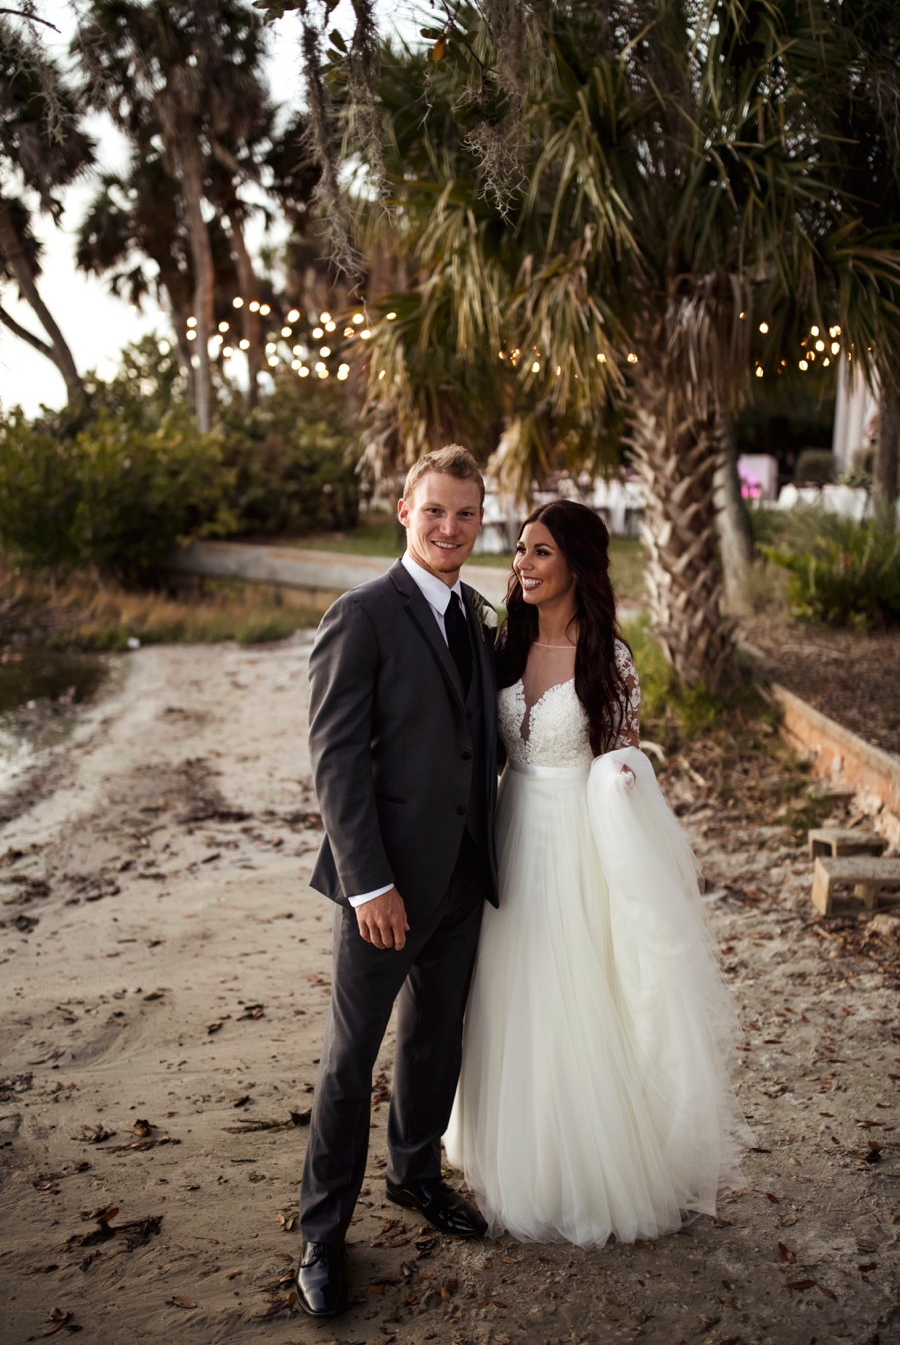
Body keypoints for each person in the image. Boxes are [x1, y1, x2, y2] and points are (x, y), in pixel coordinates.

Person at [444, 499, 752, 1247]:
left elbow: (624, 756)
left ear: (577, 564)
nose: (523, 564)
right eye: (520, 549)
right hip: (510, 830)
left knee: (573, 992)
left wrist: (621, 783)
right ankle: (515, 1148)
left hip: (578, 841)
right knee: (507, 992)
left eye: (541, 552)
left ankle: (583, 1166)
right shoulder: (502, 646)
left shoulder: (609, 659)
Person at [297, 445, 499, 1316]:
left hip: (463, 875)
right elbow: (335, 760)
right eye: (434, 511)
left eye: (465, 514)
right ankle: (321, 1234)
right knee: (351, 1059)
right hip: (383, 885)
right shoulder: (363, 614)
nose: (449, 528)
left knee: (434, 1040)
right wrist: (368, 883)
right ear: (403, 513)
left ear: (478, 522)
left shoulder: (476, 617)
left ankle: (415, 1175)